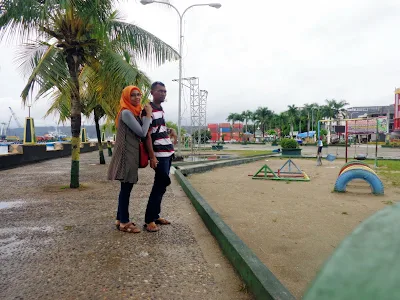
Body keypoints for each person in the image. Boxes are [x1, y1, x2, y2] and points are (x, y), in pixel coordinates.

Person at [107, 85, 153, 233]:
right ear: (127, 97)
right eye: (132, 95)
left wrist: (143, 115)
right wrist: (148, 116)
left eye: (138, 94)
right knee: (126, 188)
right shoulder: (126, 112)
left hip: (130, 154)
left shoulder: (133, 113)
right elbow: (142, 133)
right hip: (126, 155)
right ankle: (124, 223)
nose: (136, 97)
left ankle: (120, 219)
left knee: (125, 188)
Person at [142, 81, 177, 232]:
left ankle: (155, 216)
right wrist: (152, 157)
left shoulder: (160, 109)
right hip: (159, 154)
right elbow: (147, 135)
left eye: (165, 91)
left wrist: (170, 130)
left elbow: (158, 128)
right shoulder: (148, 110)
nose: (163, 93)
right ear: (152, 92)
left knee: (161, 187)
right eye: (160, 91)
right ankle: (149, 220)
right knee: (160, 185)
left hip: (168, 151)